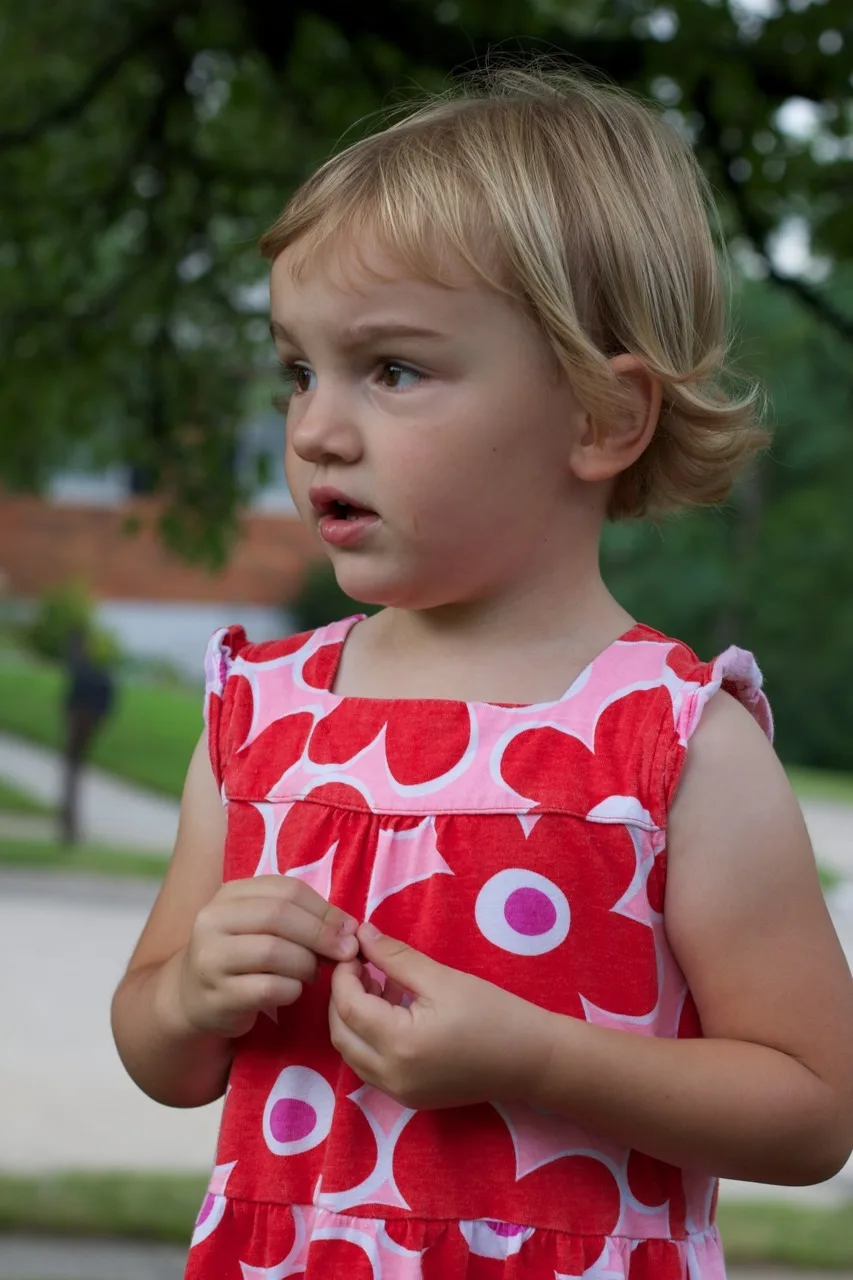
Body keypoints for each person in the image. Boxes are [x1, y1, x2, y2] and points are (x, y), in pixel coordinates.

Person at [111, 64, 853, 1279]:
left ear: (599, 419)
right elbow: (161, 1051)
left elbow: (814, 1106)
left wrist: (535, 1057)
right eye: (299, 369)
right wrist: (191, 990)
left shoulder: (673, 744)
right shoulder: (263, 716)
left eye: (391, 369)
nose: (315, 429)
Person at [61, 626, 115, 844]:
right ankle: (69, 825)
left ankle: (69, 826)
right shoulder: (87, 674)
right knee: (72, 774)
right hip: (84, 726)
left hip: (82, 728)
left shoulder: (85, 675)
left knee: (72, 773)